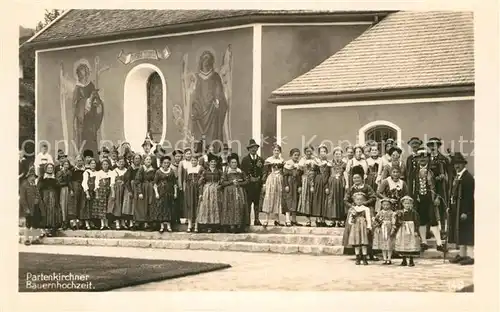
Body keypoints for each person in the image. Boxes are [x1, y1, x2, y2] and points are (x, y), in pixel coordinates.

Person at [413, 147, 445, 252]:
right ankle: (424, 242)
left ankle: (439, 243)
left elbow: (440, 186)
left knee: (433, 220)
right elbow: (412, 185)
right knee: (422, 220)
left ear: (428, 158)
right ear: (417, 159)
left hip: (431, 197)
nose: (422, 159)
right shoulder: (414, 171)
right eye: (420, 157)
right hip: (419, 199)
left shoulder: (434, 170)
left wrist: (437, 197)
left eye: (424, 157)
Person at [342, 166, 377, 259]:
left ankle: (369, 252)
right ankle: (357, 252)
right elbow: (345, 199)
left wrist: (364, 204)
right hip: (355, 211)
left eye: (358, 178)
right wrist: (352, 206)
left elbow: (373, 197)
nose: (356, 180)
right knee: (354, 230)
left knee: (368, 230)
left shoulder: (367, 187)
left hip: (366, 211)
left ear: (362, 178)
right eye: (354, 178)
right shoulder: (351, 188)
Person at [448, 152, 474, 266]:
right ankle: (462, 255)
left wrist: (466, 212)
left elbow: (469, 197)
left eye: (459, 164)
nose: (456, 166)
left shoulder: (467, 178)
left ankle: (471, 256)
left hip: (464, 210)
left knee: (467, 232)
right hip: (456, 208)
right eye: (455, 164)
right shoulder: (457, 176)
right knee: (459, 232)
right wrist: (450, 206)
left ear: (463, 164)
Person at [427, 137, 450, 231]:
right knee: (429, 208)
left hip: (441, 186)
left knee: (441, 208)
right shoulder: (427, 158)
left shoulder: (444, 159)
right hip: (429, 186)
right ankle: (428, 230)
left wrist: (444, 177)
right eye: (431, 145)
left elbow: (449, 174)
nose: (433, 147)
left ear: (438, 146)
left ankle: (443, 230)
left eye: (435, 145)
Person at [220, 154, 248, 233]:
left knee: (240, 207)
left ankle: (239, 225)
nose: (234, 164)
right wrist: (231, 182)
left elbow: (246, 181)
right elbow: (222, 182)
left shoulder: (241, 172)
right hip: (229, 194)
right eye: (232, 162)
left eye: (235, 162)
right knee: (230, 208)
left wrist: (239, 183)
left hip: (239, 192)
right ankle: (230, 225)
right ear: (229, 163)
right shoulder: (226, 172)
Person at [392, 196, 421, 267]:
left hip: (411, 229)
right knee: (403, 243)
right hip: (403, 230)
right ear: (402, 204)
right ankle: (404, 260)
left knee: (411, 243)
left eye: (409, 203)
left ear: (411, 204)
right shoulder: (400, 213)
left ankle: (411, 260)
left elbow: (417, 222)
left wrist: (416, 230)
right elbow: (397, 222)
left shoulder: (414, 213)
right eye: (405, 203)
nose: (407, 205)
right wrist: (398, 224)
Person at [240, 139, 264, 226]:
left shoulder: (260, 159)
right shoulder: (245, 160)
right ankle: (248, 220)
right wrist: (249, 178)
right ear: (249, 149)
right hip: (248, 185)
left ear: (257, 149)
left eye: (255, 148)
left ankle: (257, 220)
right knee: (248, 203)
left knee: (257, 203)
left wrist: (259, 179)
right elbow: (242, 172)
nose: (253, 150)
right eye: (251, 148)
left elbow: (263, 172)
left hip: (257, 185)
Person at [197, 153, 222, 232]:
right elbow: (200, 183)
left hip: (216, 190)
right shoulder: (205, 172)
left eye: (214, 162)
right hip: (207, 191)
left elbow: (222, 180)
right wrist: (201, 193)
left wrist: (219, 185)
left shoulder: (219, 171)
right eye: (212, 162)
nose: (213, 163)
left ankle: (215, 225)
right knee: (207, 207)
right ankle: (207, 225)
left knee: (216, 207)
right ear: (209, 163)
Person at [261, 144, 285, 227]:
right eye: (275, 150)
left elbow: (283, 172)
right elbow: (264, 173)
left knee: (278, 198)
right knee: (269, 197)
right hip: (271, 180)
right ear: (272, 151)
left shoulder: (282, 160)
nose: (276, 152)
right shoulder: (269, 160)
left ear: (280, 152)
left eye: (278, 150)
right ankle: (266, 220)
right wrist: (264, 184)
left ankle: (277, 220)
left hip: (279, 180)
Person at [347, 192, 373, 265]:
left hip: (363, 227)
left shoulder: (366, 209)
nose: (359, 201)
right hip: (355, 227)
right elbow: (349, 220)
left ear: (363, 200)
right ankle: (357, 258)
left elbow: (368, 218)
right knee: (357, 243)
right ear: (354, 201)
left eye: (361, 200)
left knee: (364, 243)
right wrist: (352, 220)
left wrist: (369, 227)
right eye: (357, 200)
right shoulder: (353, 209)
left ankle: (364, 258)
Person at [153, 155, 177, 233]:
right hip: (161, 192)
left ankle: (169, 226)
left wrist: (175, 193)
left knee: (169, 208)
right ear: (162, 163)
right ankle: (162, 226)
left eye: (167, 163)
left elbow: (174, 183)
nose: (166, 164)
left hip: (169, 192)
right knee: (161, 208)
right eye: (164, 163)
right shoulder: (158, 172)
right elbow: (155, 184)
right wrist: (156, 193)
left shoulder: (171, 171)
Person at [38, 163, 60, 237]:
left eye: (51, 168)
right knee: (44, 210)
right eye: (48, 168)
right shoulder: (42, 177)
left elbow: (57, 187)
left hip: (53, 196)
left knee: (52, 210)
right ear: (46, 169)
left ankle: (51, 229)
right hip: (44, 196)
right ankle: (44, 229)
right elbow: (39, 188)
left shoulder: (55, 178)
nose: (50, 169)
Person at [326, 146, 347, 227]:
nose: (338, 155)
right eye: (336, 154)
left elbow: (346, 174)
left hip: (341, 184)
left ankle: (341, 220)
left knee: (340, 201)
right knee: (332, 201)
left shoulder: (344, 164)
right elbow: (327, 176)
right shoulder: (330, 164)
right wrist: (327, 186)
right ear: (333, 155)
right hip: (332, 184)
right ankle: (333, 220)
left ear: (341, 155)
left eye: (339, 154)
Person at [297, 145, 317, 226]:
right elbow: (299, 172)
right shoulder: (302, 160)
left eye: (310, 151)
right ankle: (308, 220)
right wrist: (300, 185)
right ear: (305, 152)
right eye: (307, 151)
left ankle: (317, 219)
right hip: (305, 180)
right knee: (306, 199)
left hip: (314, 180)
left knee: (315, 199)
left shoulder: (315, 159)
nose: (309, 153)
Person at [135, 155, 156, 230]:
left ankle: (149, 223)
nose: (148, 161)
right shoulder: (141, 169)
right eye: (147, 159)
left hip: (150, 189)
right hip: (143, 188)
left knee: (150, 205)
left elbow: (155, 180)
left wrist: (152, 185)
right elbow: (137, 181)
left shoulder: (153, 169)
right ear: (144, 161)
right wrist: (140, 192)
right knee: (142, 206)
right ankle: (143, 223)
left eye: (150, 159)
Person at [20, 168, 41, 245]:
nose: (33, 178)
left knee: (35, 223)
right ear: (28, 176)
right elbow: (22, 198)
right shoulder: (24, 185)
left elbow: (38, 195)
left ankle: (35, 239)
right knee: (28, 223)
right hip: (28, 208)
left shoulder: (34, 185)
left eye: (34, 177)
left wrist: (37, 200)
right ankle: (26, 239)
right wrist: (26, 209)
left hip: (35, 207)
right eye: (32, 176)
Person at [372, 198, 396, 264]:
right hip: (382, 229)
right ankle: (384, 258)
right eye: (384, 205)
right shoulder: (380, 213)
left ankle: (389, 258)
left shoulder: (392, 213)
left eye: (387, 205)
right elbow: (376, 220)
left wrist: (393, 228)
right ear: (382, 205)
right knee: (383, 243)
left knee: (389, 243)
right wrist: (377, 225)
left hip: (389, 228)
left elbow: (393, 221)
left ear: (390, 205)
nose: (386, 206)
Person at [183, 153, 203, 232]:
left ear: (197, 161)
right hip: (189, 188)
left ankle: (196, 225)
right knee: (189, 205)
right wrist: (185, 189)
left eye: (195, 160)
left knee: (197, 205)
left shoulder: (200, 168)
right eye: (192, 160)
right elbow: (185, 180)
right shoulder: (187, 168)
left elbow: (202, 179)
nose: (193, 162)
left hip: (197, 188)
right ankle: (190, 224)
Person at [313, 144, 331, 226]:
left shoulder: (328, 163)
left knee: (324, 200)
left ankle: (323, 220)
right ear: (319, 153)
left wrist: (327, 186)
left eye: (324, 151)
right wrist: (312, 184)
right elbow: (313, 174)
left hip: (325, 182)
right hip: (318, 182)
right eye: (321, 151)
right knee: (317, 200)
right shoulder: (316, 162)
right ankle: (318, 219)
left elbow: (329, 175)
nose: (323, 153)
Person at [282, 148, 302, 226]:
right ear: (291, 155)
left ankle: (294, 219)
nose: (296, 157)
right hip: (289, 183)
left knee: (295, 200)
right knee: (289, 200)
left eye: (297, 155)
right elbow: (285, 176)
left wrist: (300, 186)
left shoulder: (299, 164)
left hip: (296, 184)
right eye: (295, 155)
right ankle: (287, 219)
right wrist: (286, 185)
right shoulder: (288, 164)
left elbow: (299, 176)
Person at [93, 158, 114, 230]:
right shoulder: (99, 173)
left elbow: (112, 183)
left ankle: (107, 224)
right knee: (102, 208)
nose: (105, 166)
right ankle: (102, 224)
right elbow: (96, 183)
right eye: (104, 164)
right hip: (101, 191)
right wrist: (97, 193)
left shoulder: (111, 172)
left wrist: (113, 192)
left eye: (106, 164)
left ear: (109, 165)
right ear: (101, 165)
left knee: (108, 207)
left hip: (109, 191)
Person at [107, 157, 127, 230]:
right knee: (117, 206)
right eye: (120, 162)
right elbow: (112, 183)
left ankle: (123, 222)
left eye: (123, 162)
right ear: (117, 163)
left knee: (123, 205)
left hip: (125, 190)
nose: (121, 163)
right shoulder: (114, 171)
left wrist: (124, 182)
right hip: (117, 190)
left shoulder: (126, 170)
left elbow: (127, 180)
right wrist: (113, 193)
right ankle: (117, 222)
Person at [123, 154, 142, 229]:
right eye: (136, 158)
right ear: (133, 160)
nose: (137, 160)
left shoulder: (141, 168)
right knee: (130, 206)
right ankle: (131, 223)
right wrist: (130, 191)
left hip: (139, 187)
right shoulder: (130, 168)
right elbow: (127, 180)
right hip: (131, 187)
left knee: (138, 205)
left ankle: (138, 222)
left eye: (138, 158)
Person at [56, 159, 73, 230]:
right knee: (62, 205)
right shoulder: (59, 173)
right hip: (61, 189)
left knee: (67, 205)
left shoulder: (69, 172)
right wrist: (65, 184)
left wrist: (71, 189)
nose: (66, 166)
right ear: (62, 165)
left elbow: (70, 182)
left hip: (67, 189)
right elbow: (58, 183)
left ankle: (67, 221)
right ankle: (63, 221)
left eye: (67, 164)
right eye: (65, 164)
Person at [70, 155, 86, 230]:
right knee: (75, 202)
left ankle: (81, 221)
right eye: (78, 160)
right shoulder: (73, 169)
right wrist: (71, 189)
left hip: (83, 185)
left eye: (81, 160)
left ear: (83, 161)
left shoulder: (85, 169)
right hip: (75, 185)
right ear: (76, 161)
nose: (79, 162)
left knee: (82, 202)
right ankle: (74, 221)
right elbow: (70, 180)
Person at [81, 158, 97, 230]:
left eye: (94, 163)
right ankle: (87, 223)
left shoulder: (97, 172)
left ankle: (91, 222)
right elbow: (84, 183)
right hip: (87, 192)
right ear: (89, 165)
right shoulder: (86, 172)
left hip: (94, 192)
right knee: (86, 207)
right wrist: (87, 193)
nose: (93, 165)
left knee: (92, 208)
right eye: (92, 163)